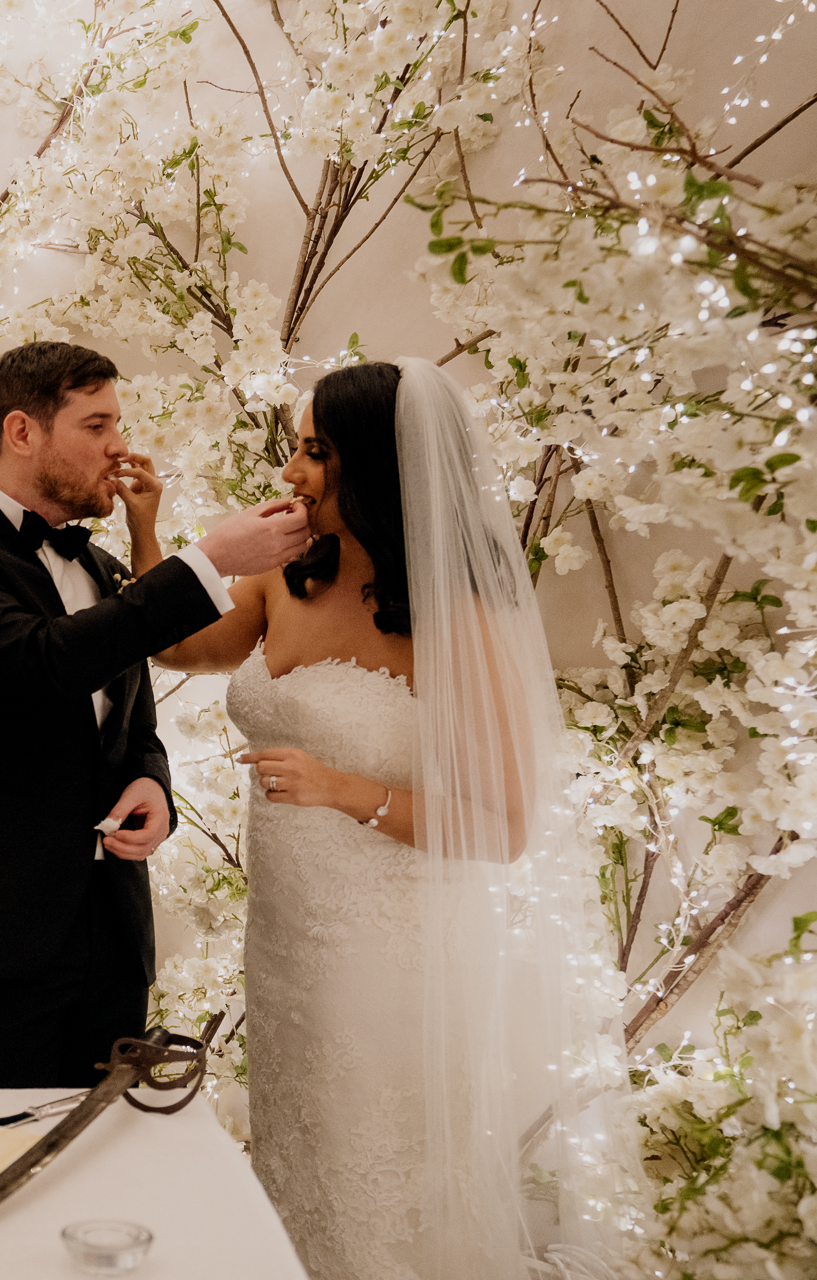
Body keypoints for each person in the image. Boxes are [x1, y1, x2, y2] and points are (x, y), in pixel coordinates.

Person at [130, 359, 605, 1279]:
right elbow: (182, 645)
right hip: (289, 945)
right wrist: (146, 526)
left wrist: (344, 788)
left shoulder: (457, 613)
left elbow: (502, 826)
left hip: (392, 951)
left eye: (313, 452)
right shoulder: (287, 574)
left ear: (376, 467)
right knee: (300, 1156)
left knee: (383, 1175)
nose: (290, 473)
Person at [0, 341, 311, 1089]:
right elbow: (42, 661)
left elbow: (128, 717)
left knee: (104, 1150)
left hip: (111, 933)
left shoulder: (105, 570)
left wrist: (151, 780)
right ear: (22, 432)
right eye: (97, 425)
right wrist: (207, 561)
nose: (120, 447)